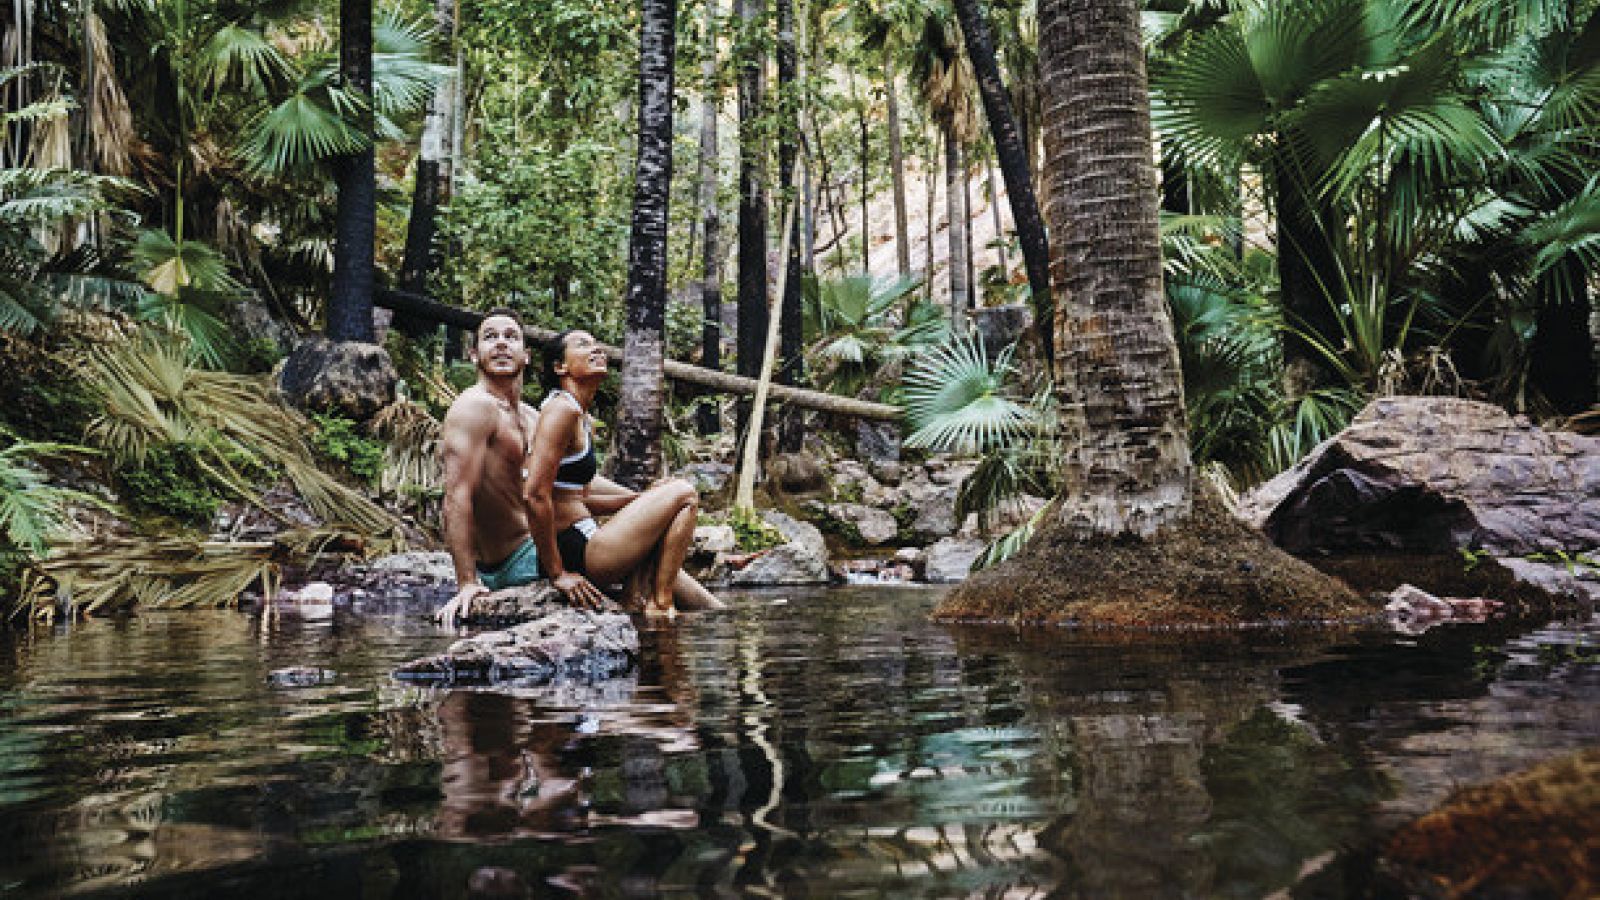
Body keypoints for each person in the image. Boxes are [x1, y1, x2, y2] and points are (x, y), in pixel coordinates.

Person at [525, 329, 722, 617]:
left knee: (710, 608)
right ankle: (660, 604)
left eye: (596, 343)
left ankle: (638, 600)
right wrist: (558, 574)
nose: (597, 350)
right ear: (560, 367)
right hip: (580, 552)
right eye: (583, 345)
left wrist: (643, 501)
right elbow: (533, 493)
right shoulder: (560, 411)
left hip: (589, 541)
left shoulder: (579, 415)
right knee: (684, 494)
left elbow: (577, 496)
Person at [435, 309, 542, 627]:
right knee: (637, 551)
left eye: (511, 337)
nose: (500, 344)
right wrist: (467, 582)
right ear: (473, 355)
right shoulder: (474, 408)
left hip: (541, 550)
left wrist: (635, 499)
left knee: (642, 541)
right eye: (490, 337)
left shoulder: (533, 417)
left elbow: (574, 488)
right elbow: (456, 496)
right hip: (514, 560)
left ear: (527, 356)